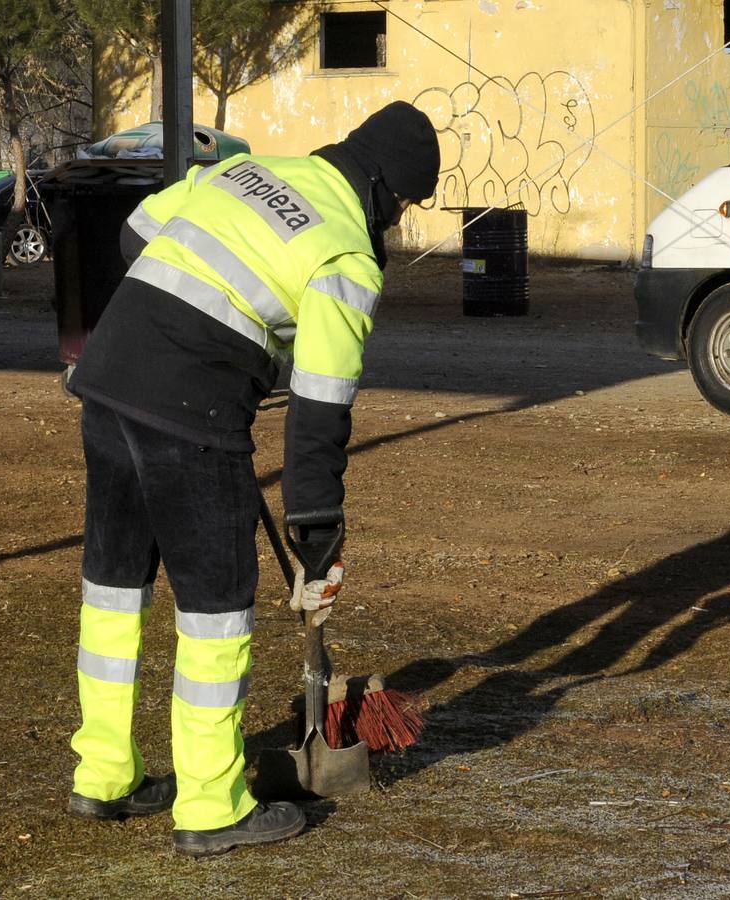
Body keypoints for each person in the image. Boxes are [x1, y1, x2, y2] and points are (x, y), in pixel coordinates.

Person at [64, 101, 441, 856]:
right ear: (384, 191)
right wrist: (316, 533)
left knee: (114, 587)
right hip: (189, 416)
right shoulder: (344, 258)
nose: (396, 221)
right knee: (214, 610)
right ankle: (209, 805)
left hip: (106, 381)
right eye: (402, 205)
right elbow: (318, 409)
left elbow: (135, 229)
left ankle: (103, 774)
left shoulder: (247, 170)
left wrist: (212, 327)